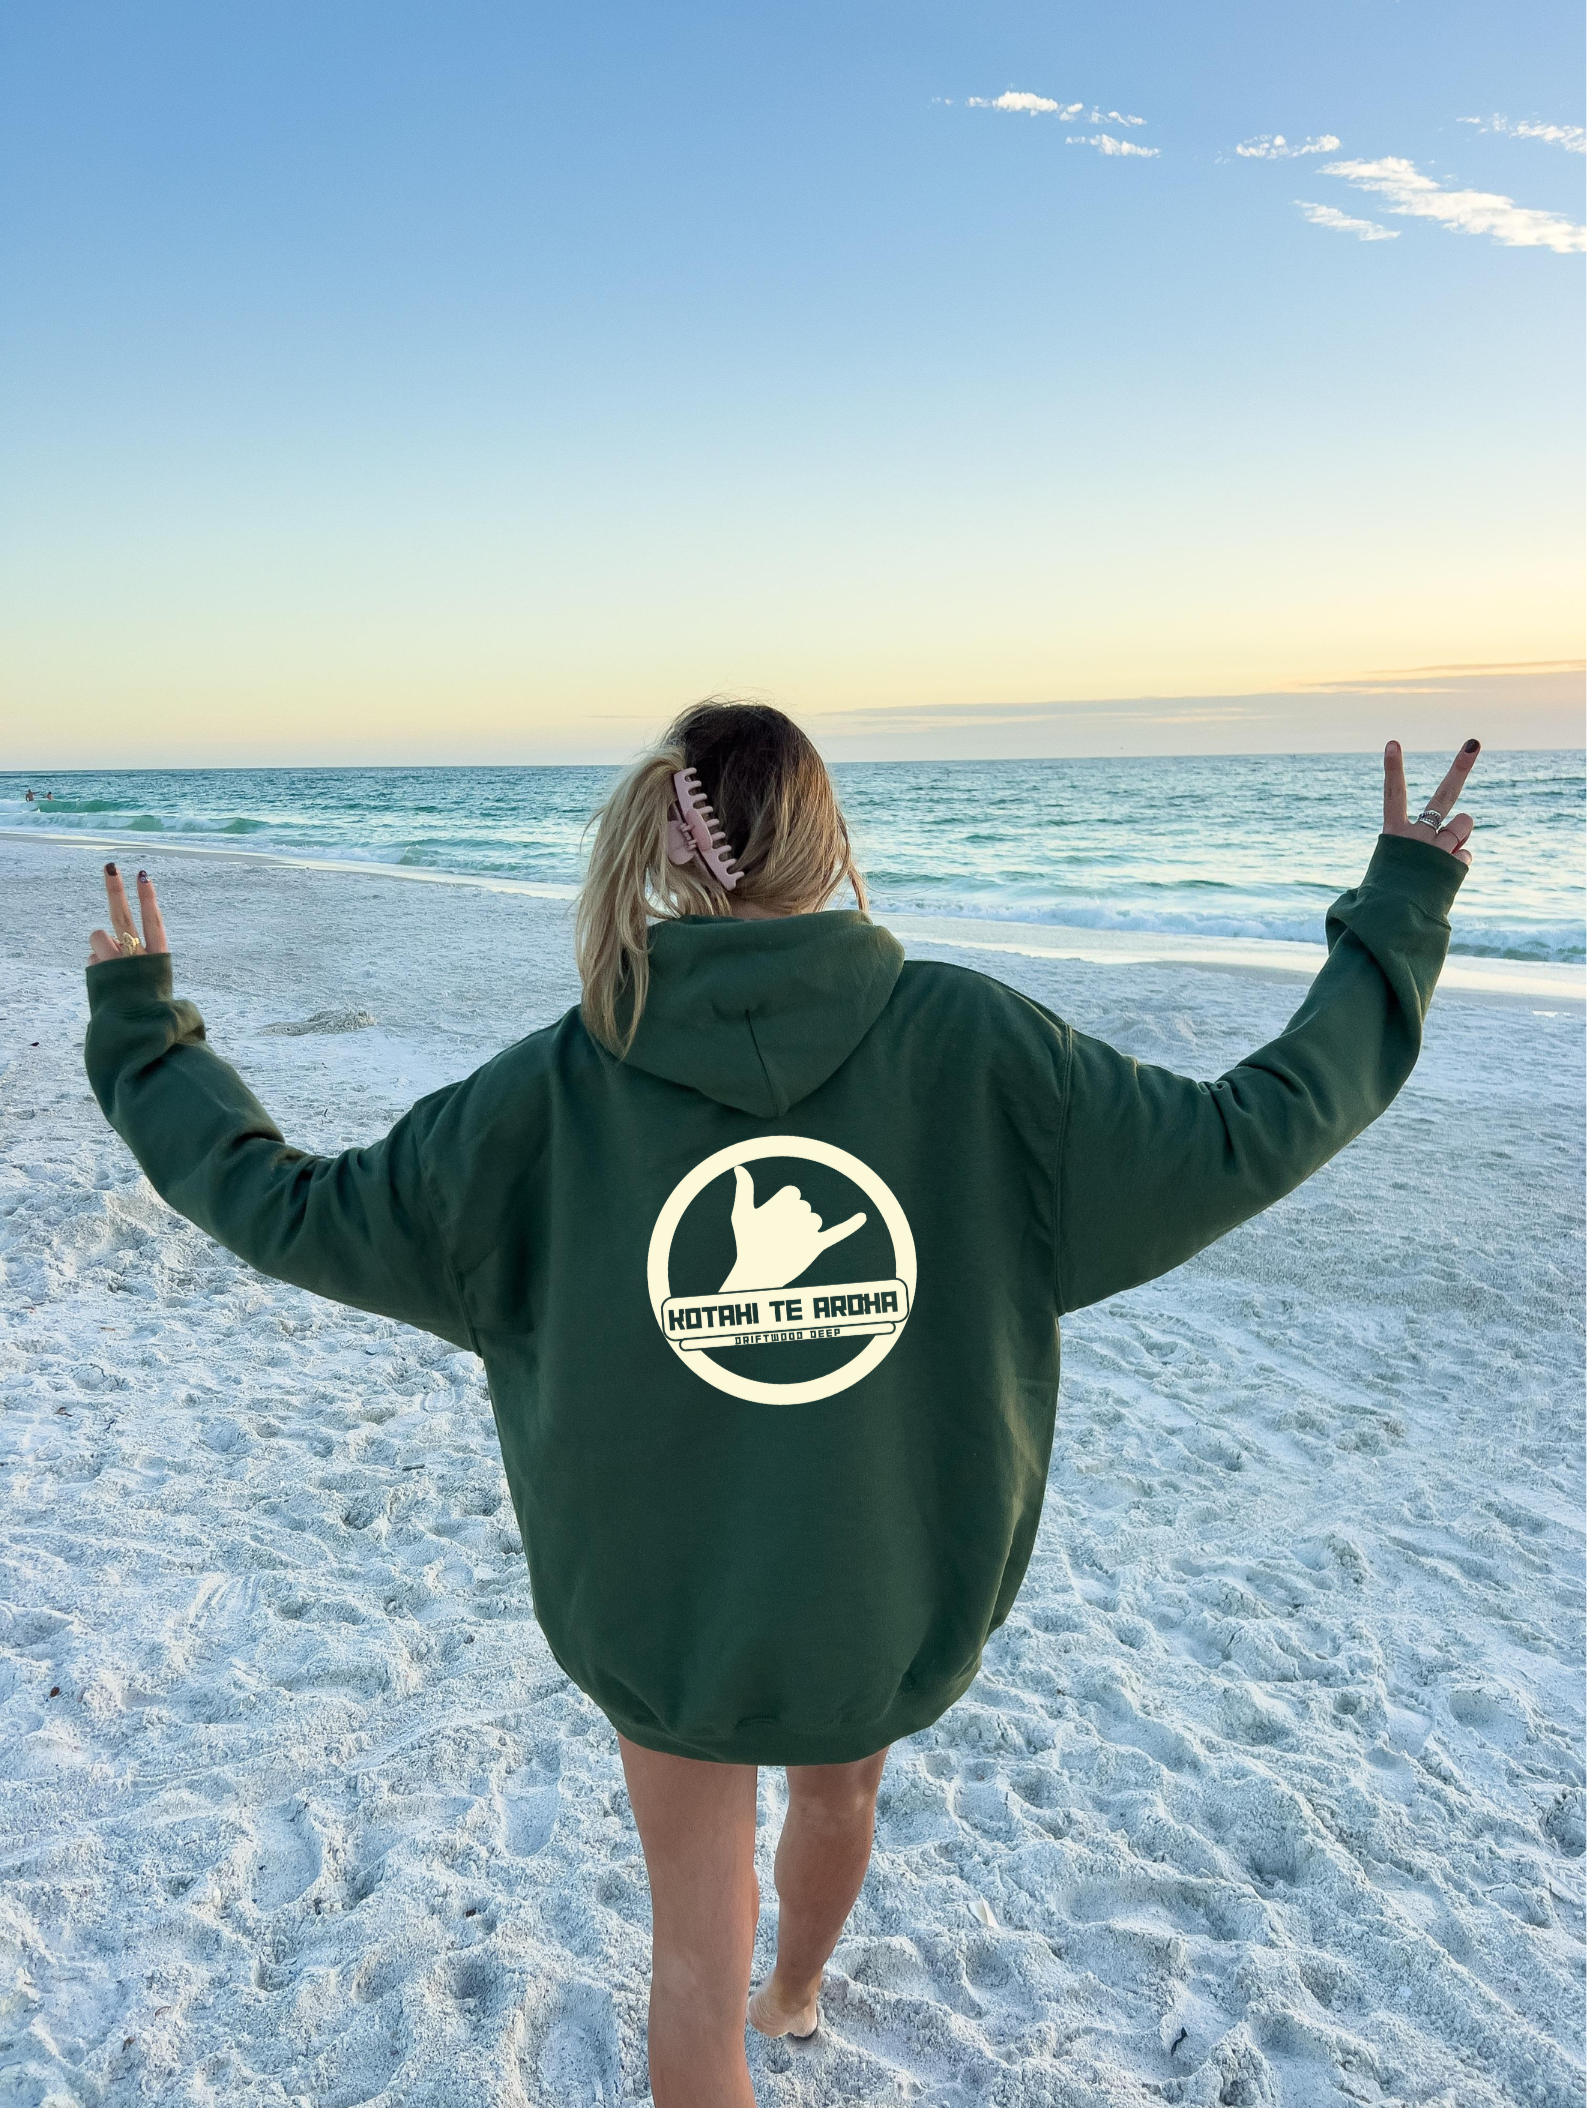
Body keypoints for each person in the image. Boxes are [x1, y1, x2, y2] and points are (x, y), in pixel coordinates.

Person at [83, 703, 1478, 2108]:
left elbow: (291, 1205)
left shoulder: (554, 1087)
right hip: (879, 1584)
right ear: (828, 839)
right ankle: (799, 1990)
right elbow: (1253, 1127)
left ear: (667, 857)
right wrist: (1398, 912)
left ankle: (767, 1987)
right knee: (838, 1789)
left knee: (689, 1961)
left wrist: (148, 1043)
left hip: (661, 1605)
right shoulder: (974, 1044)